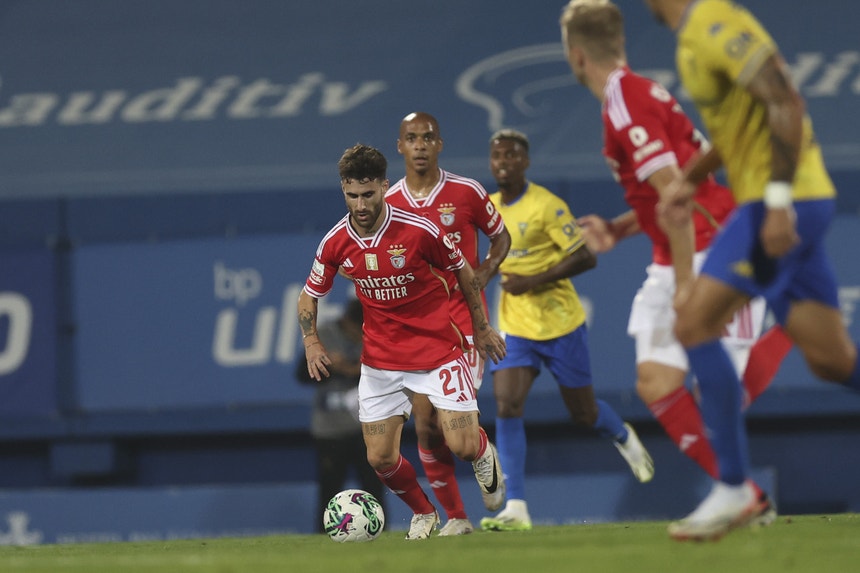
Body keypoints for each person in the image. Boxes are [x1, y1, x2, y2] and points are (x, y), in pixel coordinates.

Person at [559, 0, 792, 520]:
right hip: (678, 246)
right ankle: (746, 497)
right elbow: (676, 186)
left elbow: (679, 201)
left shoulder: (624, 101)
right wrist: (620, 228)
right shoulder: (636, 94)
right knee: (657, 383)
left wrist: (687, 286)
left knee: (718, 400)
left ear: (577, 56)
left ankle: (791, 323)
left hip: (713, 242)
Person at [641, 0, 860, 541]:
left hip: (778, 204)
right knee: (833, 362)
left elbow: (784, 98)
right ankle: (735, 487)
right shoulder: (691, 37)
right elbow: (744, 126)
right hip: (785, 202)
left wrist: (780, 199)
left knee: (692, 322)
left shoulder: (716, 22)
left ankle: (735, 486)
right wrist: (691, 177)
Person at [298, 143, 507, 540]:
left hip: (437, 352)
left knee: (460, 445)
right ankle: (424, 512)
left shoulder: (420, 230)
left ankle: (483, 454)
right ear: (344, 191)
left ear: (384, 186)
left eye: (368, 194)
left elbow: (463, 272)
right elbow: (309, 294)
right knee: (379, 457)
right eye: (352, 195)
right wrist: (311, 341)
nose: (360, 205)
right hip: (381, 362)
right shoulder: (335, 241)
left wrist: (480, 328)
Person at [479, 129, 654, 532]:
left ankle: (622, 435)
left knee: (583, 413)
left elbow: (585, 257)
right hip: (515, 326)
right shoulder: (485, 208)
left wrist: (531, 280)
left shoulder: (547, 206)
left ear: (524, 162)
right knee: (506, 404)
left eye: (510, 155)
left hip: (561, 324)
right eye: (496, 156)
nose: (502, 162)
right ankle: (517, 507)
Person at [385, 111, 512, 536]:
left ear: (440, 145)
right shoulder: (389, 206)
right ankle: (457, 518)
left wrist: (487, 271)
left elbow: (501, 236)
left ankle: (480, 451)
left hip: (464, 325)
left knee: (453, 435)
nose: (420, 145)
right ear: (400, 146)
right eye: (411, 138)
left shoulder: (466, 192)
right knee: (423, 424)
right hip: (419, 331)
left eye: (428, 137)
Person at [295, 298, 386, 533]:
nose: (360, 337)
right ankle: (324, 538)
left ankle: (378, 534)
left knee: (374, 488)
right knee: (329, 490)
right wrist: (325, 365)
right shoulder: (325, 334)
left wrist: (347, 367)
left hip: (367, 428)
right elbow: (302, 375)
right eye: (359, 330)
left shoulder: (375, 335)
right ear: (348, 322)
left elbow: (385, 373)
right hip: (330, 429)